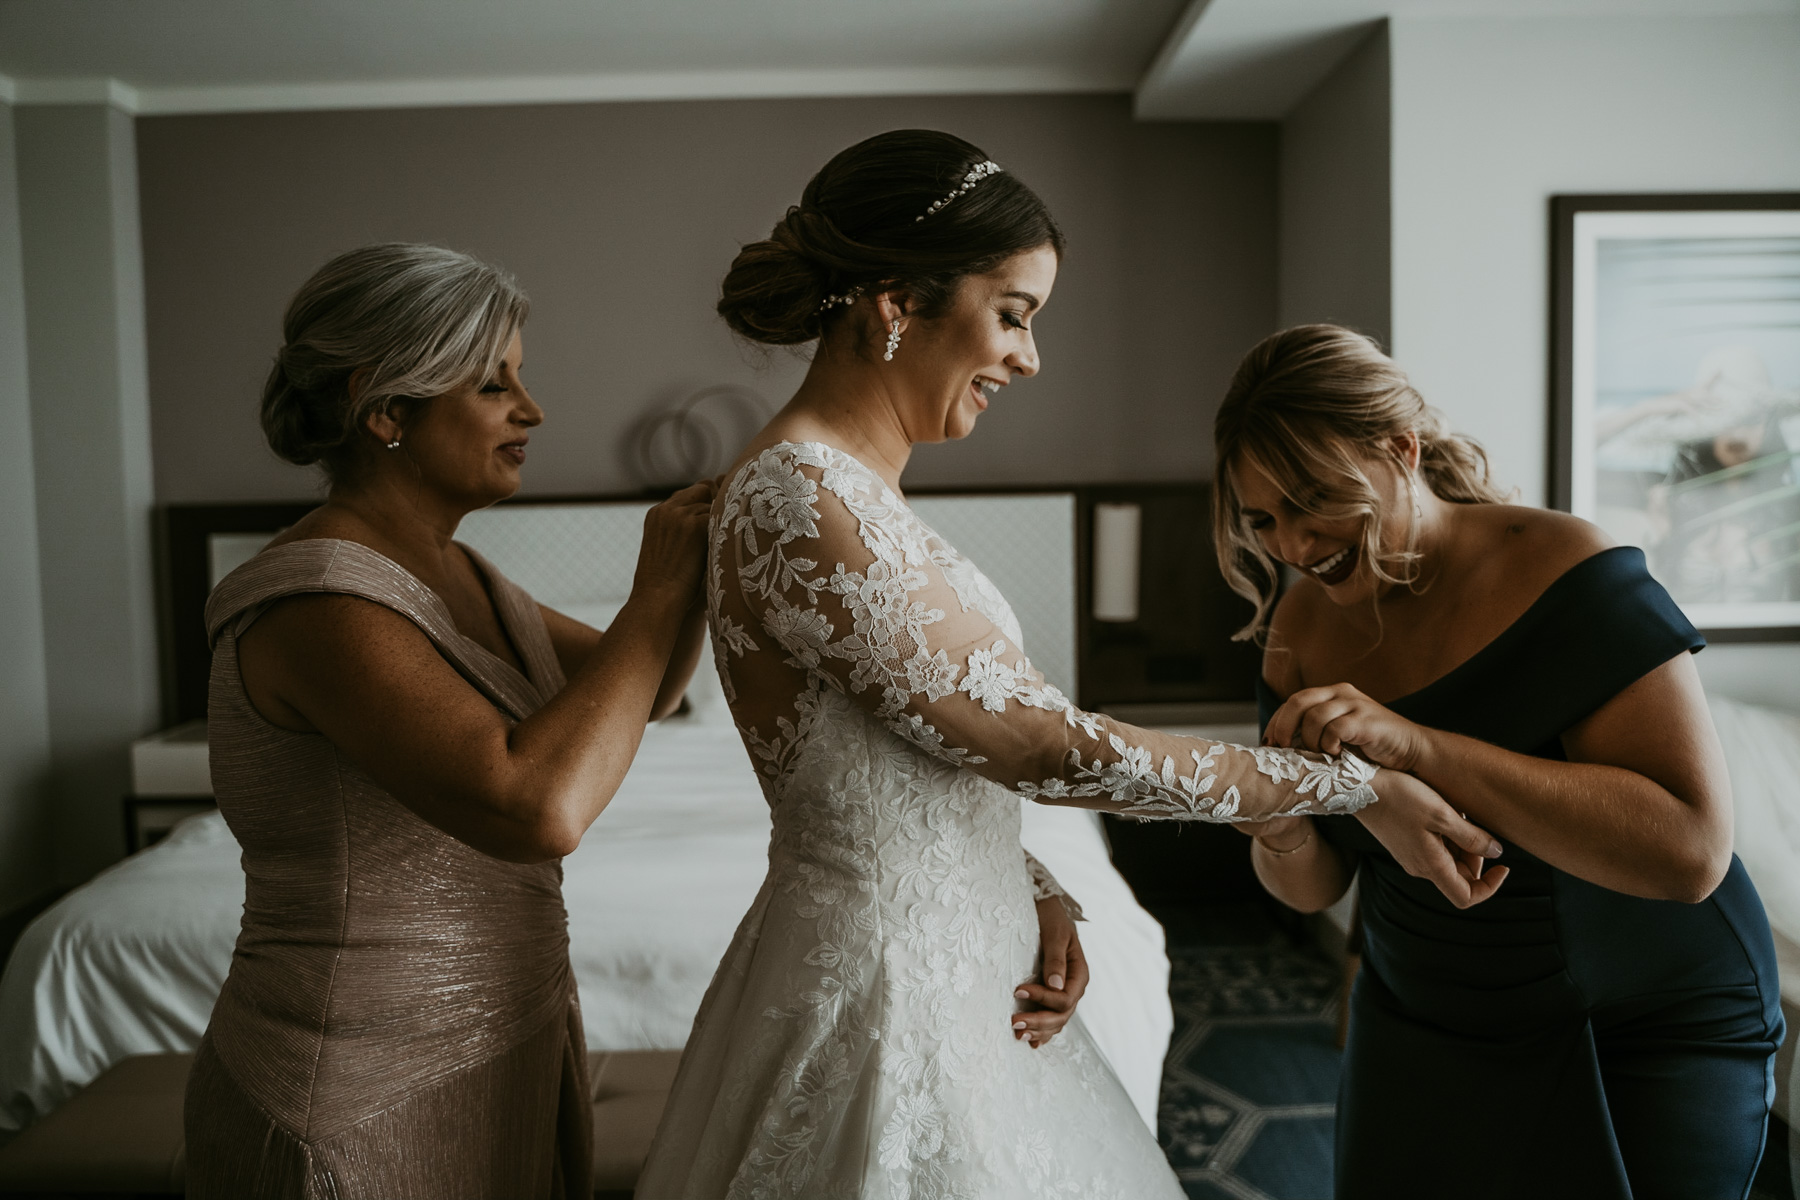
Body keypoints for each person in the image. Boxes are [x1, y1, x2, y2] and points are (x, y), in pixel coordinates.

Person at [638, 131, 1505, 1199]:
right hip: (889, 996)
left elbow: (903, 752)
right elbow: (1041, 742)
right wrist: (1354, 783)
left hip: (962, 962)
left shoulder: (849, 491)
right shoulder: (799, 497)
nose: (1028, 358)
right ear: (897, 300)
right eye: (1013, 314)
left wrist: (1025, 880)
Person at [184, 243, 714, 1199]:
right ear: (385, 410)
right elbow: (537, 809)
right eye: (493, 383)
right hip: (358, 1089)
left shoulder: (460, 571)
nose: (532, 409)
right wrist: (656, 589)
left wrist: (708, 574)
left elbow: (650, 691)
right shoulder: (319, 601)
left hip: (502, 1043)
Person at [1221, 324, 1785, 1200]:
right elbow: (1316, 886)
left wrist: (1418, 745)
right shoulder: (1299, 631)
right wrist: (1279, 826)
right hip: (1426, 1016)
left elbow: (1690, 853)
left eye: (1312, 500)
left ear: (1400, 449)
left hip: (1636, 1016)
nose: (1294, 546)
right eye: (1264, 521)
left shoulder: (1566, 568)